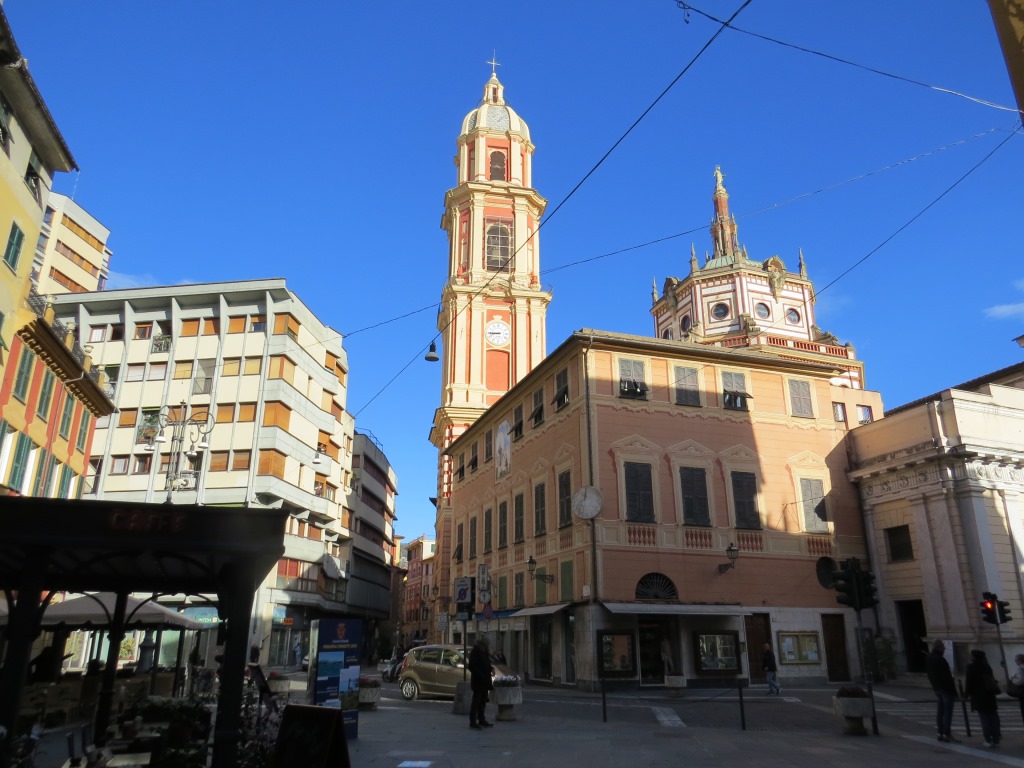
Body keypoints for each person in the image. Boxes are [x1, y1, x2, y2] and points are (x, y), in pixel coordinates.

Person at [925, 640, 960, 743]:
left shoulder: (929, 658)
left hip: (937, 688)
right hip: (945, 689)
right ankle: (946, 734)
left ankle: (940, 733)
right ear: (939, 647)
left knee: (940, 711)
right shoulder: (940, 659)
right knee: (947, 712)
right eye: (943, 647)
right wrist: (954, 692)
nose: (944, 649)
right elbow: (947, 677)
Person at [965, 648, 1001, 747]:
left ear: (974, 657)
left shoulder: (971, 667)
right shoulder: (987, 666)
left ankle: (988, 740)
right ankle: (995, 739)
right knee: (992, 718)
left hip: (979, 696)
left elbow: (969, 682)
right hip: (990, 695)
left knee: (984, 719)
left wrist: (966, 694)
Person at [468, 636, 494, 729]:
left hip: (485, 680)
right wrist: (480, 675)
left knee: (483, 701)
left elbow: (487, 663)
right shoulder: (475, 652)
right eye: (486, 645)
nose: (487, 647)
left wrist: (491, 668)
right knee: (476, 701)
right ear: (482, 644)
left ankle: (481, 719)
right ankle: (472, 721)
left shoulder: (484, 652)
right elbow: (471, 666)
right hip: (478, 681)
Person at [1011, 653, 1024, 725]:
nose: (1015, 661)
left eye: (1016, 660)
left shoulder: (1020, 668)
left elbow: (1021, 680)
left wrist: (1013, 680)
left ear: (1019, 660)